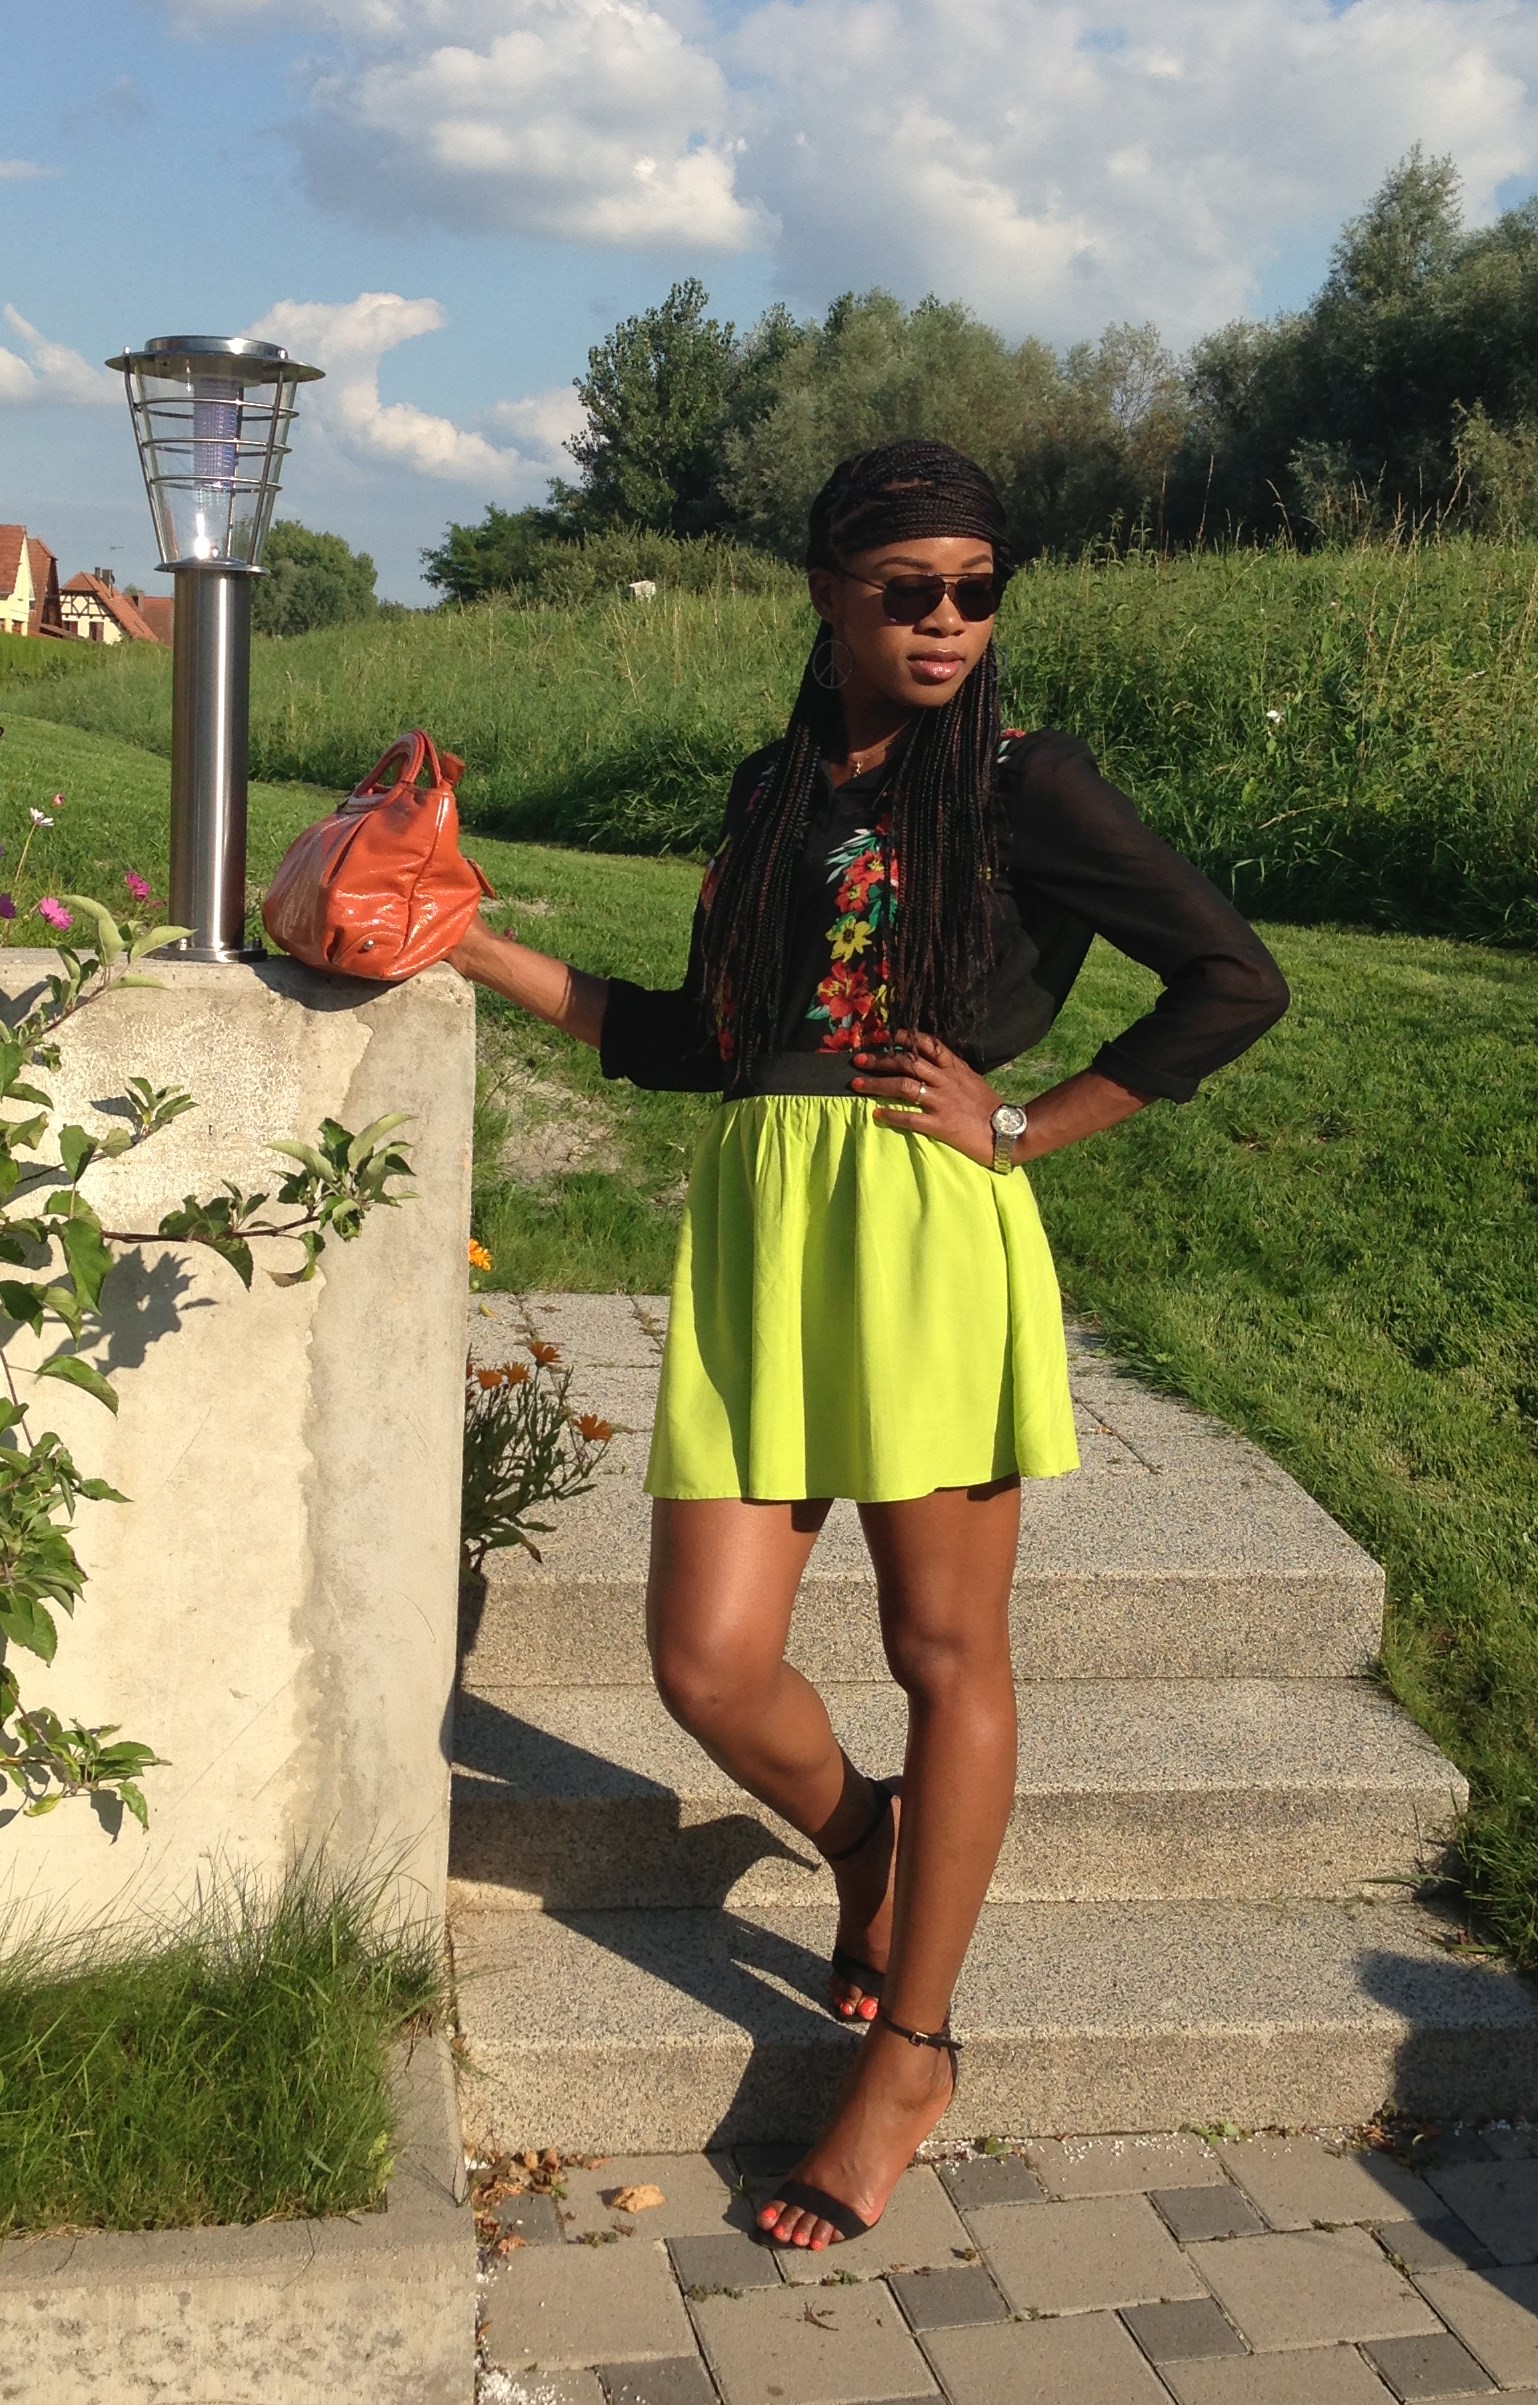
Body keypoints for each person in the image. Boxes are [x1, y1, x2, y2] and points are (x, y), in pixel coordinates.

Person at [448, 440, 1290, 2251]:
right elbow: (694, 1041)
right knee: (706, 1660)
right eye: (909, 588)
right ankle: (863, 1841)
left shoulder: (1022, 780)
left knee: (940, 1645)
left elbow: (1233, 977)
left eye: (976, 589)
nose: (946, 620)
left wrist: (1021, 1125)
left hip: (921, 1225)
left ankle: (911, 2053)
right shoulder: (769, 788)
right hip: (762, 1228)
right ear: (828, 592)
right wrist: (470, 944)